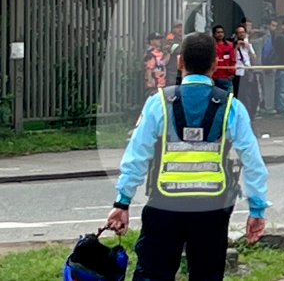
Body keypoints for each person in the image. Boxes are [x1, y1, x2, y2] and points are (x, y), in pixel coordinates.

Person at [104, 32, 270, 280]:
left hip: (164, 205)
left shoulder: (158, 103)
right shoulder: (231, 106)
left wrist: (122, 202)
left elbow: (137, 155)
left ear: (179, 62)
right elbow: (253, 162)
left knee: (153, 274)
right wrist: (256, 209)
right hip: (212, 209)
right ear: (215, 65)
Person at [233, 25, 258, 113]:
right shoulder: (232, 46)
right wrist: (236, 47)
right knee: (238, 94)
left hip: (247, 72)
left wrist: (248, 49)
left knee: (248, 94)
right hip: (237, 73)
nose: (241, 34)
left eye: (243, 32)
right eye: (239, 33)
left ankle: (249, 112)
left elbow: (254, 60)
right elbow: (231, 58)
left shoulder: (249, 45)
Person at [211, 26, 235, 93]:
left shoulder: (229, 45)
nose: (220, 34)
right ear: (214, 34)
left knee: (229, 99)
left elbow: (233, 60)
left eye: (222, 32)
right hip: (213, 77)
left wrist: (232, 73)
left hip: (226, 77)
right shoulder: (210, 45)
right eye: (218, 32)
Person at [144, 33, 167, 98]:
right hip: (155, 84)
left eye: (160, 39)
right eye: (157, 39)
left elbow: (163, 63)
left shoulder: (160, 53)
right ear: (151, 42)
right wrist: (149, 81)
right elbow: (149, 69)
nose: (159, 41)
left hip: (162, 83)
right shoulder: (150, 54)